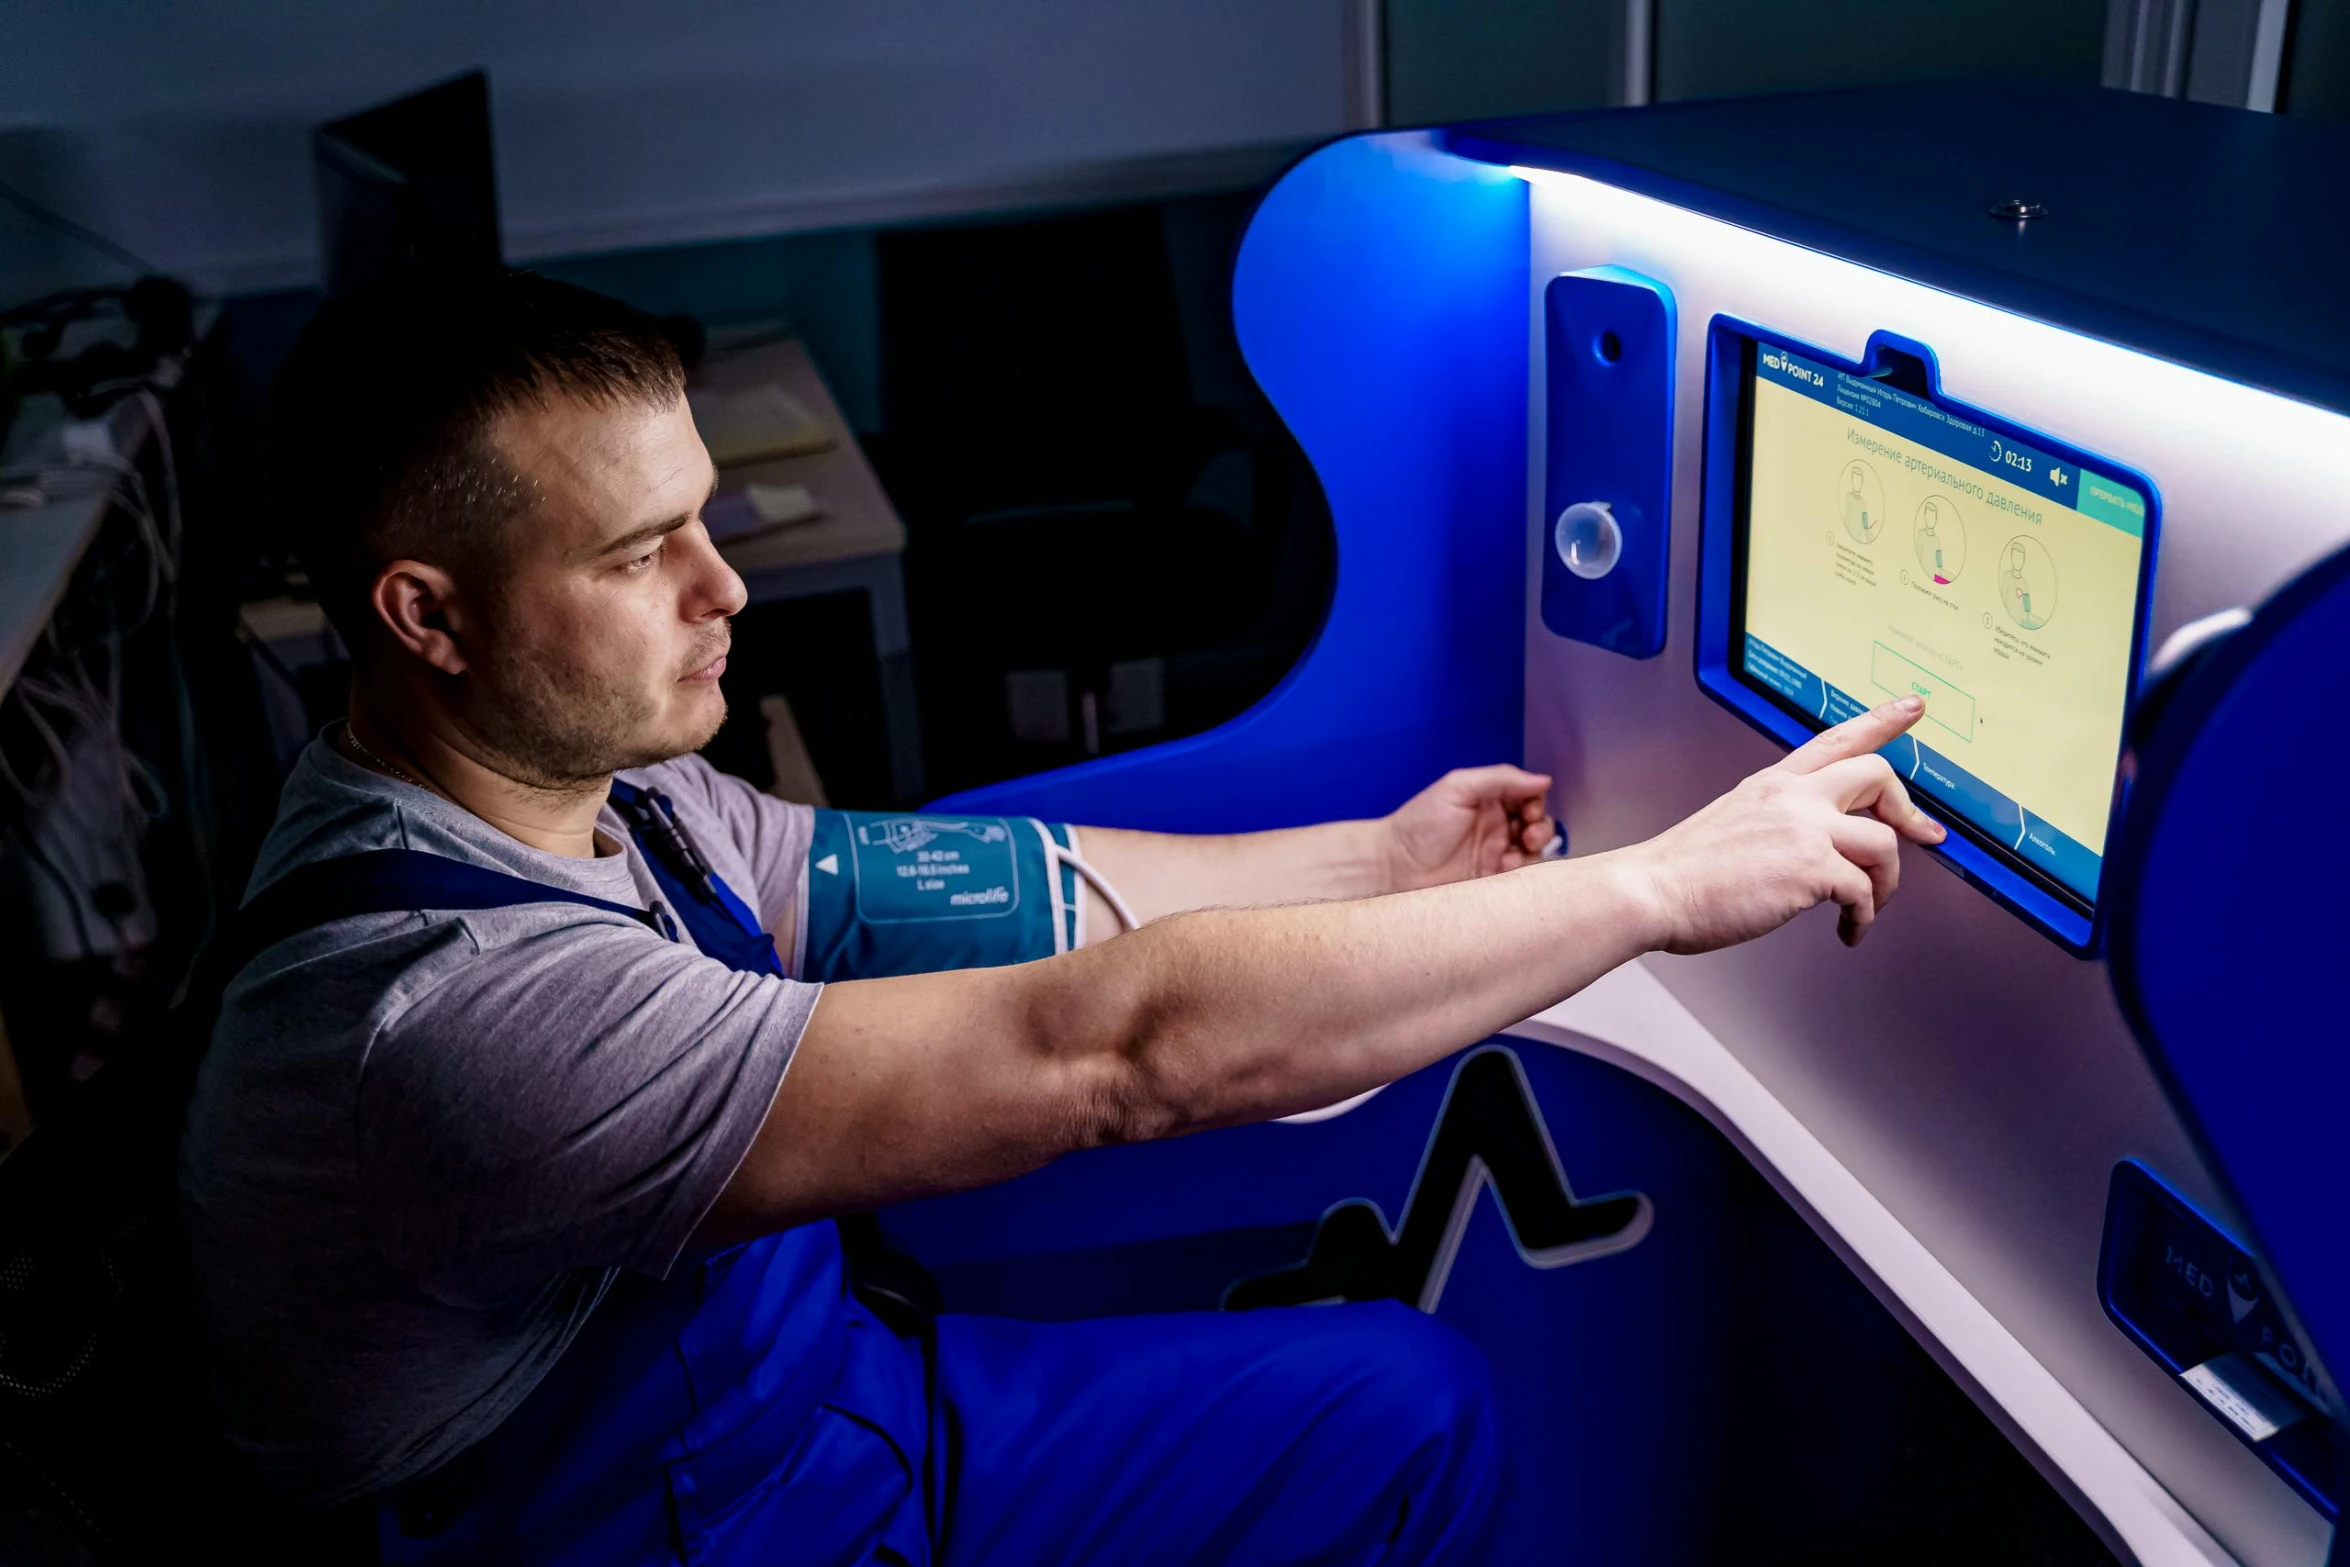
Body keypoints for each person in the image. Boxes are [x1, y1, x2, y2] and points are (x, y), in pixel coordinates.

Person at [182, 268, 1942, 1567]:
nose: (726, 590)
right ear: (429, 615)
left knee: (1403, 1405)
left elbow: (982, 896)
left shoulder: (606, 789)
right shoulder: (455, 1016)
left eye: (704, 522)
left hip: (823, 1421)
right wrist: (1653, 891)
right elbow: (1107, 1049)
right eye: (640, 555)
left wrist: (1377, 860)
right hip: (672, 1531)